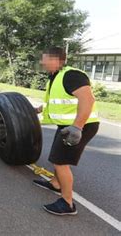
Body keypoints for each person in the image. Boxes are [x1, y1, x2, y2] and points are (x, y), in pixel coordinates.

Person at [34, 47, 99, 216]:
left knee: (60, 162)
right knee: (57, 156)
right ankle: (56, 183)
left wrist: (77, 127)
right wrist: (38, 109)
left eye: (45, 58)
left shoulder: (71, 75)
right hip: (67, 125)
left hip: (80, 125)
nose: (42, 62)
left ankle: (67, 203)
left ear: (57, 60)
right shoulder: (55, 78)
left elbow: (88, 99)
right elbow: (57, 102)